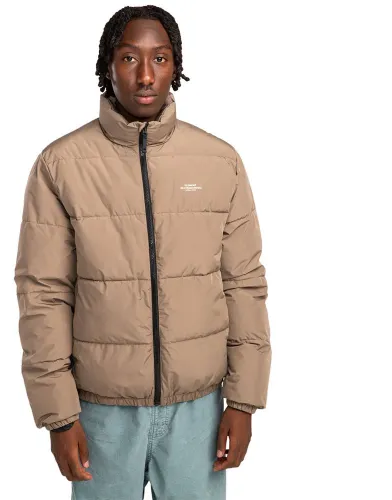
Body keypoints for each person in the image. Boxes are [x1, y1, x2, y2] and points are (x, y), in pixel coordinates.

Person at [14, 5, 271, 499]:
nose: (146, 75)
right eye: (130, 58)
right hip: (100, 411)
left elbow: (244, 283)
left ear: (177, 66)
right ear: (106, 66)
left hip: (199, 410)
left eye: (161, 58)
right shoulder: (60, 165)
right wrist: (59, 415)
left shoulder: (219, 161)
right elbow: (43, 294)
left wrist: (243, 401)